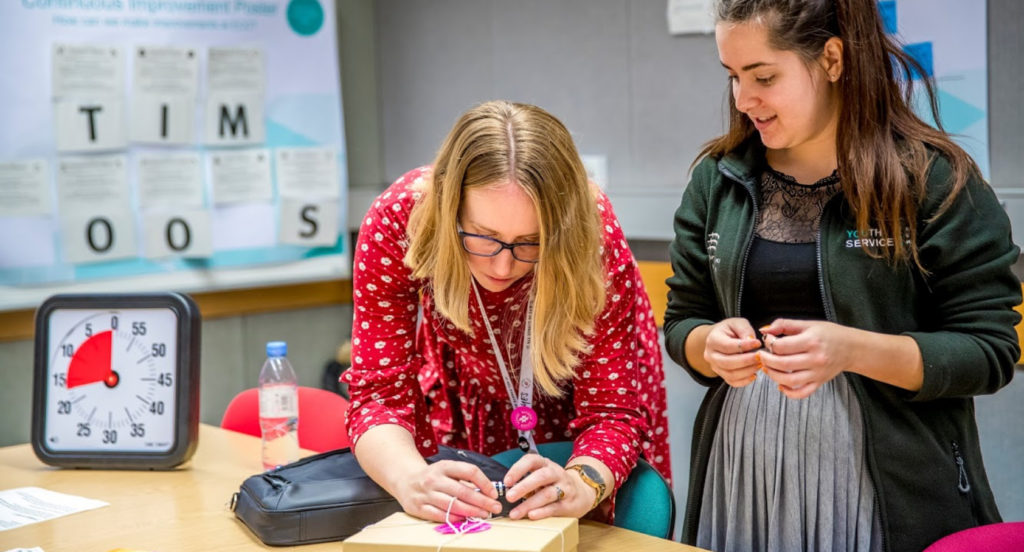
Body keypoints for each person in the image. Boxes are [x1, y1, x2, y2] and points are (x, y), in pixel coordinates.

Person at [663, 1, 1021, 551]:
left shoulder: (933, 178)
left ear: (831, 59)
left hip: (884, 480)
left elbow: (988, 350)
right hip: (742, 476)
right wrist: (706, 345)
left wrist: (852, 350)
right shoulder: (718, 179)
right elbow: (683, 321)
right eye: (732, 77)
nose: (742, 99)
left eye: (763, 76)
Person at [344, 100, 670, 524]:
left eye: (530, 242)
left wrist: (583, 482)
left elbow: (612, 412)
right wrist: (409, 479)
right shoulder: (399, 221)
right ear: (448, 210)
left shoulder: (593, 236)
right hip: (474, 383)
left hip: (582, 389)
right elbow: (377, 396)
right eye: (482, 237)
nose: (502, 267)